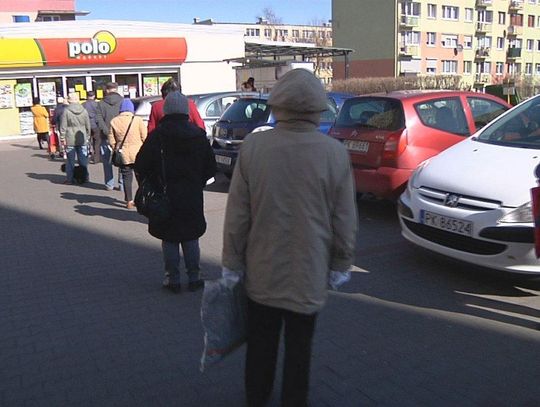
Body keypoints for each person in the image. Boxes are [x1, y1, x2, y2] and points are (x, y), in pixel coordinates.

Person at [222, 69, 358, 407]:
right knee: (300, 349)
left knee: (261, 345)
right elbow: (344, 218)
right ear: (317, 109)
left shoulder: (254, 146)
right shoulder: (334, 153)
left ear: (277, 104)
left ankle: (257, 399)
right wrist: (341, 262)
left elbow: (238, 213)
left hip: (262, 269)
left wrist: (232, 261)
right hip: (309, 272)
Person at [135, 91, 216, 293]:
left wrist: (154, 180)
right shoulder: (198, 136)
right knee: (191, 235)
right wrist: (197, 182)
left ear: (167, 110)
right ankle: (195, 277)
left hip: (165, 194)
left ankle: (173, 280)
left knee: (169, 237)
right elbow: (211, 167)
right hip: (192, 195)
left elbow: (141, 164)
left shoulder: (157, 137)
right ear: (185, 111)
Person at [108, 99, 147, 209]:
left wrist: (115, 147)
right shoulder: (137, 120)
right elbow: (145, 136)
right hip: (138, 153)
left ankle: (129, 201)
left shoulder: (114, 121)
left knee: (126, 178)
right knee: (141, 177)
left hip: (123, 154)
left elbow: (111, 139)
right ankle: (142, 199)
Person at [58, 93, 91, 185]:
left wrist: (62, 138)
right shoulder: (84, 110)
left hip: (70, 138)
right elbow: (88, 125)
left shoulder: (66, 111)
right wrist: (88, 135)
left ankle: (70, 179)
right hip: (82, 137)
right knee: (83, 160)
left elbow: (63, 126)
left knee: (70, 161)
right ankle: (85, 177)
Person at [96, 82, 123, 190]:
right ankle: (122, 184)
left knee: (107, 161)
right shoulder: (123, 102)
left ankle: (109, 183)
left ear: (107, 90)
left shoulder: (101, 103)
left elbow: (99, 119)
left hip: (105, 136)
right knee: (122, 160)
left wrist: (107, 131)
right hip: (121, 136)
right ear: (116, 89)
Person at [83, 90, 100, 164]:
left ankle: (85, 157)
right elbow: (99, 115)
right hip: (95, 125)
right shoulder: (97, 104)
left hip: (86, 125)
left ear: (87, 96)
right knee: (97, 142)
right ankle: (96, 158)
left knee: (86, 141)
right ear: (94, 96)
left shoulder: (83, 105)